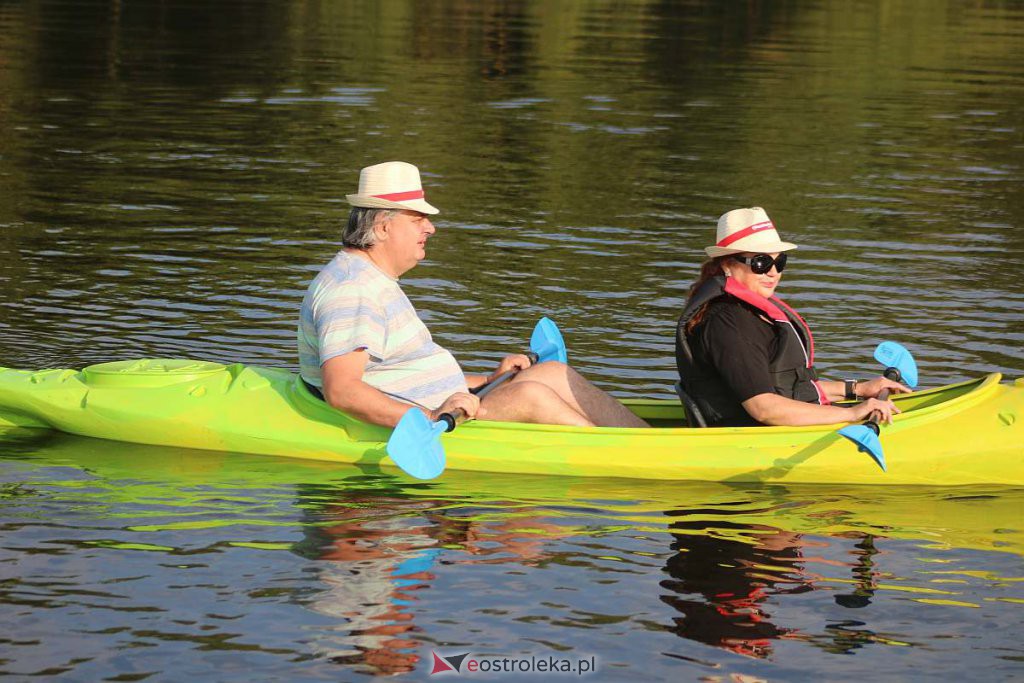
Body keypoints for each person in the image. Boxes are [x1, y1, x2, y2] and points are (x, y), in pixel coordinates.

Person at [298, 161, 646, 429]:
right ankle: (634, 462)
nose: (430, 227)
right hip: (440, 419)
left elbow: (398, 371)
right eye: (418, 217)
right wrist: (432, 415)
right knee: (531, 395)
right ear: (383, 226)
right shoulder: (352, 290)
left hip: (453, 403)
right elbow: (343, 391)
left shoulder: (372, 279)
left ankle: (648, 442)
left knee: (552, 372)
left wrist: (488, 380)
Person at [675, 207, 908, 428]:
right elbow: (764, 408)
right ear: (727, 265)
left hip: (768, 427)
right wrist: (852, 413)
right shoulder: (728, 323)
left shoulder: (749, 312)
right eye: (760, 262)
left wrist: (858, 389)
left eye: (779, 261)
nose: (773, 272)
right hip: (750, 437)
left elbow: (789, 388)